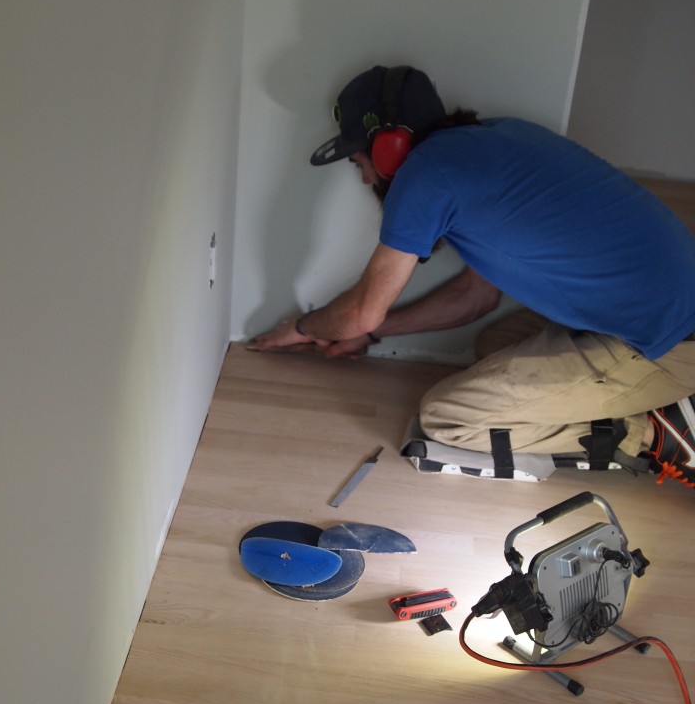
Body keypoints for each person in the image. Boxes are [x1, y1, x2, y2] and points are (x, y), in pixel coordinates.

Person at [254, 65, 695, 488]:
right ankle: (652, 399)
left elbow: (360, 313)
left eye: (359, 161)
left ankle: (657, 432)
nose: (364, 174)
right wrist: (372, 334)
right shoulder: (493, 138)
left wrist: (299, 328)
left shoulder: (428, 176)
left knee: (449, 418)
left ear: (389, 144)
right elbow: (473, 297)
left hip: (667, 339)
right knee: (491, 344)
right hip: (653, 310)